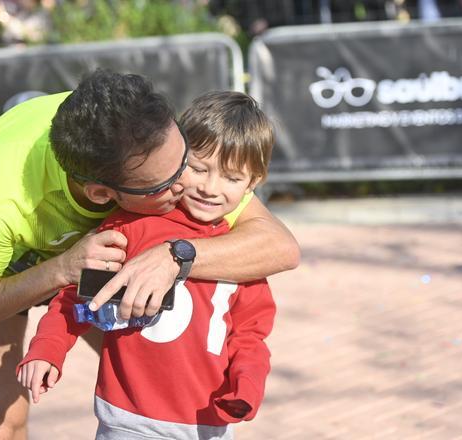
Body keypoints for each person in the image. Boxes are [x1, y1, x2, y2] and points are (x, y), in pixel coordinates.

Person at [0, 70, 300, 439]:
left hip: (97, 251)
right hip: (3, 265)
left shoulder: (156, 146)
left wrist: (175, 255)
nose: (189, 184)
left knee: (144, 370)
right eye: (167, 184)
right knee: (2, 417)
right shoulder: (2, 197)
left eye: (185, 160)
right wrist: (60, 269)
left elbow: (279, 247)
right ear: (102, 195)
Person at [17, 90, 279, 439]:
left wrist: (247, 384)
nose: (210, 188)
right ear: (179, 157)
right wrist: (46, 350)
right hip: (129, 419)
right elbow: (77, 298)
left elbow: (250, 334)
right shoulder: (129, 227)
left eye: (231, 178)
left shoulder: (240, 252)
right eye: (199, 169)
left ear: (252, 183)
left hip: (209, 425)